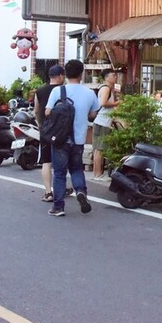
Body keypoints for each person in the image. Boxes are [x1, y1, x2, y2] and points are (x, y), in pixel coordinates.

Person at [46, 59, 99, 217]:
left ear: (66, 74)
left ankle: (58, 207)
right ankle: (81, 191)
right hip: (79, 139)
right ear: (81, 74)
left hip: (60, 139)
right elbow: (93, 114)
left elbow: (47, 112)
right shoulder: (90, 93)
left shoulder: (58, 91)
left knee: (59, 173)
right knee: (76, 169)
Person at [33, 65, 73, 202]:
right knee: (61, 161)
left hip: (46, 130)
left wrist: (40, 124)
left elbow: (36, 110)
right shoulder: (64, 90)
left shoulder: (40, 90)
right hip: (62, 131)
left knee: (46, 161)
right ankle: (61, 188)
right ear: (61, 76)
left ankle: (48, 192)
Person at [91, 68, 120, 181]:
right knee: (100, 149)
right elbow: (103, 103)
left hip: (101, 122)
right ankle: (98, 174)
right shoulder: (106, 88)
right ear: (107, 77)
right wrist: (116, 103)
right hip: (102, 122)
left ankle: (96, 174)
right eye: (113, 75)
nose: (115, 77)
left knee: (98, 149)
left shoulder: (105, 88)